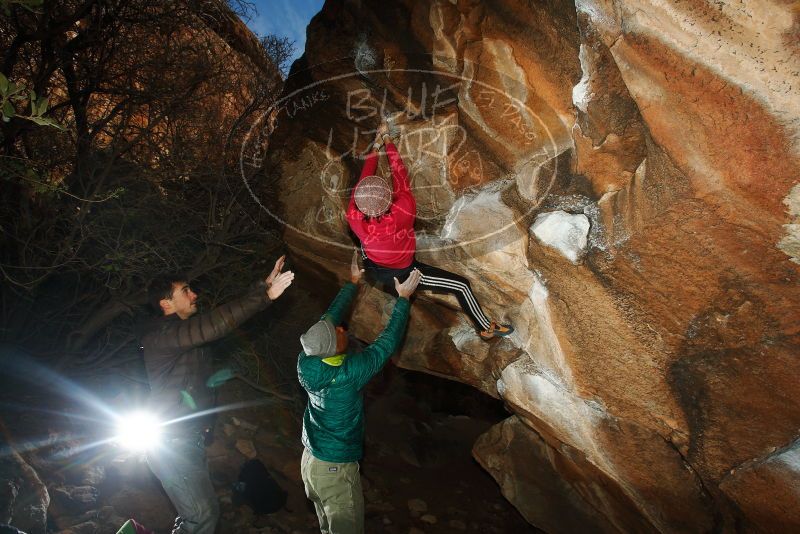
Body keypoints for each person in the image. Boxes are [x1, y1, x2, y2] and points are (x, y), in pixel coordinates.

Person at [139, 256, 294, 534]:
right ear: (166, 304)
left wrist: (262, 286)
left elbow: (217, 324)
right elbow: (212, 325)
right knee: (202, 515)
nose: (194, 293)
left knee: (197, 515)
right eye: (185, 290)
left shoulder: (183, 333)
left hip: (187, 438)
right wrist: (265, 297)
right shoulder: (160, 336)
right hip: (169, 442)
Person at [346, 121, 514, 340]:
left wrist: (375, 146)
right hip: (402, 273)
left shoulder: (353, 216)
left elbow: (363, 182)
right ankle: (484, 328)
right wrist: (386, 141)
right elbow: (399, 176)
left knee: (365, 242)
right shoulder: (403, 210)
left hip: (373, 266)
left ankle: (371, 255)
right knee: (462, 286)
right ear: (388, 200)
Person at [298, 250, 421, 534]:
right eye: (340, 333)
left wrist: (352, 282)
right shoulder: (347, 375)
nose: (342, 329)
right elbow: (385, 345)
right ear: (334, 347)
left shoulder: (307, 359)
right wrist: (403, 299)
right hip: (335, 469)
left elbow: (329, 317)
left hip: (311, 463)